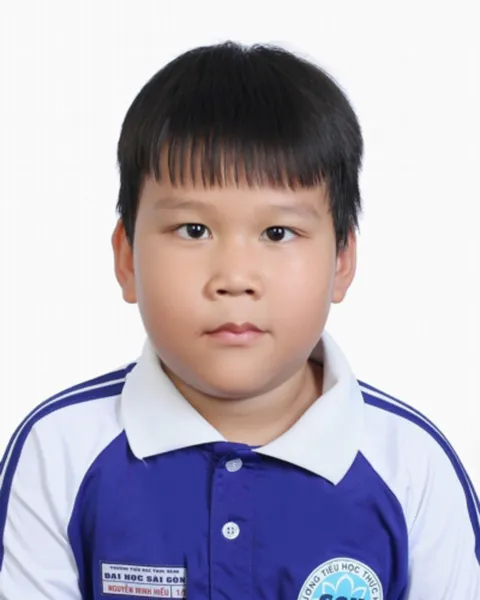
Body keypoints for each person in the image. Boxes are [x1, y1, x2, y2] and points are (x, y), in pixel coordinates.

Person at [0, 41, 478, 600]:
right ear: (127, 259)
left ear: (342, 261)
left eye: (278, 233)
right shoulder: (59, 451)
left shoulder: (412, 468)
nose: (234, 277)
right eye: (193, 230)